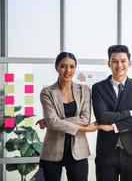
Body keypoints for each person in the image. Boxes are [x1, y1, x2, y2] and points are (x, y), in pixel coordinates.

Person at [92, 45, 132, 181]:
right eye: (114, 61)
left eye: (123, 61)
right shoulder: (98, 88)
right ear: (108, 63)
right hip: (106, 152)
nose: (119, 65)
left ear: (130, 63)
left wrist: (115, 126)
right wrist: (128, 113)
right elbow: (102, 117)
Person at [39, 52, 98, 181]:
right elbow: (53, 122)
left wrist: (51, 122)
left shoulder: (85, 90)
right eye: (63, 66)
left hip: (79, 152)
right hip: (51, 152)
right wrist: (84, 129)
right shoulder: (47, 92)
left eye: (71, 66)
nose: (68, 70)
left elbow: (85, 119)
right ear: (56, 67)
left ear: (75, 68)